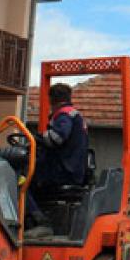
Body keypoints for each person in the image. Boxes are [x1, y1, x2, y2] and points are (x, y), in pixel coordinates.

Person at [25, 82, 89, 238]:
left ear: (51, 100)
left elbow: (57, 137)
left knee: (21, 180)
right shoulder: (75, 115)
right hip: (73, 170)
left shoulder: (63, 115)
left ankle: (40, 222)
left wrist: (37, 138)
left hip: (62, 171)